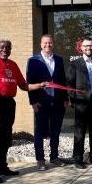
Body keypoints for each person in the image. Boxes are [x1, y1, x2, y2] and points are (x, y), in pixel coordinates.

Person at [0, 39, 46, 183]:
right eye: (2, 47)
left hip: (9, 103)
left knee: (5, 138)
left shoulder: (13, 65)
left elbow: (23, 85)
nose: (5, 49)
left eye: (8, 47)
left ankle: (2, 167)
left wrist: (40, 85)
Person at [26, 34, 68, 171]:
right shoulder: (33, 61)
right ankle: (40, 159)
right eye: (45, 43)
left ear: (53, 44)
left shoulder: (60, 60)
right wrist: (33, 101)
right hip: (41, 103)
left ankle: (54, 157)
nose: (47, 45)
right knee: (39, 132)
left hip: (57, 102)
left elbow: (63, 81)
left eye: (50, 43)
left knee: (55, 131)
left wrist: (65, 99)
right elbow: (29, 82)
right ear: (40, 44)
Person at [67, 38, 92, 169]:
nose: (88, 48)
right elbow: (70, 84)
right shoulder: (75, 64)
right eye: (85, 46)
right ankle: (78, 158)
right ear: (81, 48)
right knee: (80, 131)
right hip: (81, 103)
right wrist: (73, 100)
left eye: (90, 45)